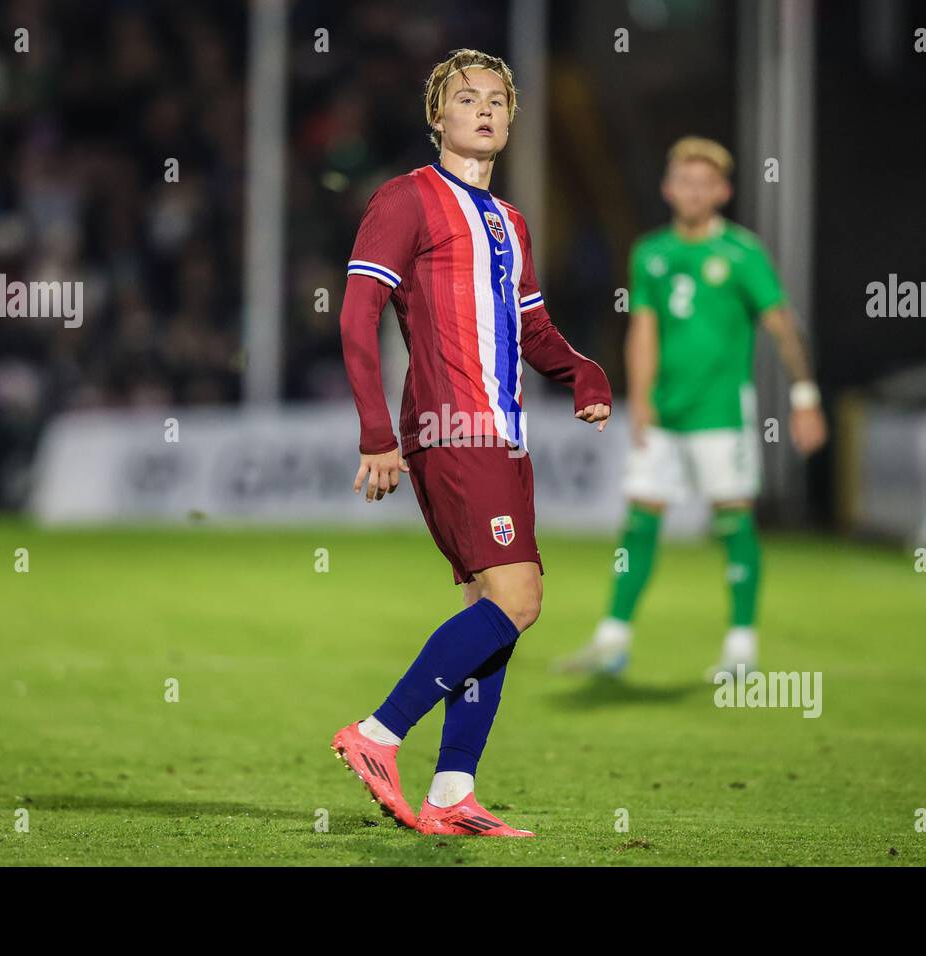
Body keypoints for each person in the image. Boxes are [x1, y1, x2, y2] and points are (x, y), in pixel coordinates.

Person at [334, 49, 612, 837]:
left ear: (511, 120)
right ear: (438, 117)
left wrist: (583, 371)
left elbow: (532, 327)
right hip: (455, 430)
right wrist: (377, 433)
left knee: (489, 610)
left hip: (505, 435)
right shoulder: (406, 199)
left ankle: (452, 792)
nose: (484, 109)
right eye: (466, 98)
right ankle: (378, 735)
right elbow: (357, 317)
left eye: (497, 99)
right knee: (521, 599)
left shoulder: (511, 222)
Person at [555, 137, 826, 680]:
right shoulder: (650, 252)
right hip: (663, 413)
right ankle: (613, 639)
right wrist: (637, 397)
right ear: (668, 188)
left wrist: (805, 398)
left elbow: (782, 326)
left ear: (723, 191)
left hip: (721, 414)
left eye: (705, 182)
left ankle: (741, 647)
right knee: (639, 520)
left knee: (733, 521)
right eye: (684, 180)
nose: (694, 191)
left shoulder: (741, 253)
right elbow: (644, 330)